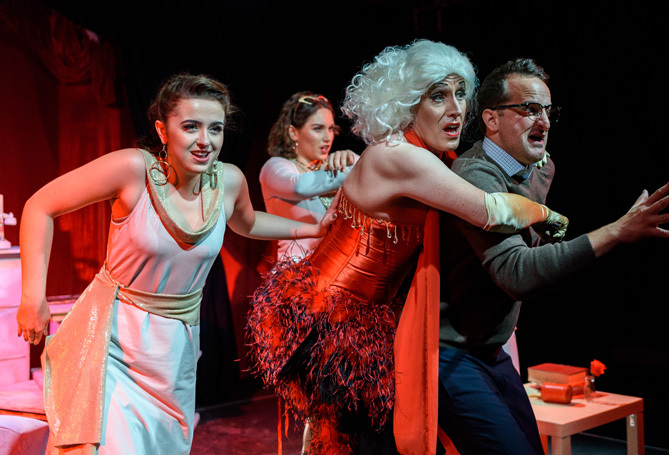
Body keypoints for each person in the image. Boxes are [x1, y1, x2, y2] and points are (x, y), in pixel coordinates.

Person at [246, 40, 570, 455]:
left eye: (460, 94)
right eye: (438, 96)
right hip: (335, 322)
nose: (456, 108)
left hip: (377, 323)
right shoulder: (400, 155)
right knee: (352, 443)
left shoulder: (434, 155)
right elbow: (491, 209)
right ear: (407, 104)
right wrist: (551, 217)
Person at [15, 73, 338, 455]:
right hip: (112, 340)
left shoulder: (228, 181)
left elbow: (247, 222)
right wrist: (33, 296)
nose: (205, 141)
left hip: (175, 349)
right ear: (162, 130)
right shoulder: (133, 169)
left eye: (215, 129)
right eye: (191, 127)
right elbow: (40, 206)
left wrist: (315, 228)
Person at [438, 58, 669, 455]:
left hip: (490, 348)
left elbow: (529, 250)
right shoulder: (475, 177)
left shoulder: (539, 167)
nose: (544, 121)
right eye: (529, 109)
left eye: (548, 110)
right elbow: (516, 274)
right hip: (448, 353)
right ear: (491, 119)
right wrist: (616, 232)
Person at [261, 91, 359, 261]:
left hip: (336, 269)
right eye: (317, 129)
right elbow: (300, 187)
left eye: (330, 129)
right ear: (293, 133)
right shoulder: (275, 166)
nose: (327, 138)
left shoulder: (331, 166)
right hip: (296, 274)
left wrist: (352, 159)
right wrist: (355, 168)